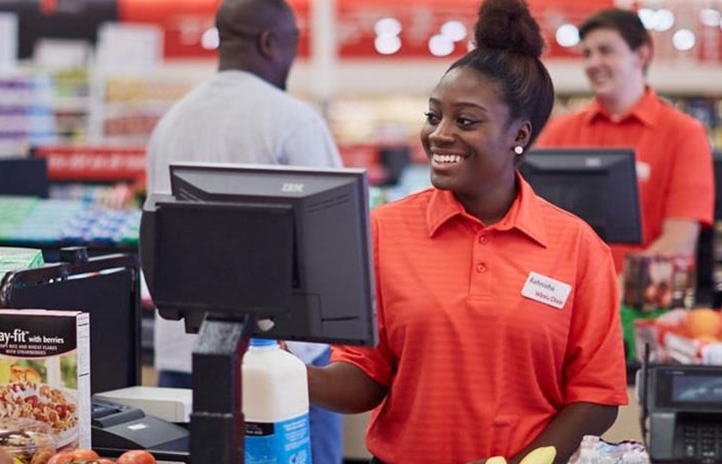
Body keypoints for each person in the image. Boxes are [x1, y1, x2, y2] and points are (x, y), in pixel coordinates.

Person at [306, 0, 628, 463]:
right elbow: (365, 378)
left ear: (519, 133)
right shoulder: (381, 231)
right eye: (434, 116)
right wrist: (287, 374)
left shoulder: (577, 248)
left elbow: (596, 395)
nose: (440, 134)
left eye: (467, 120)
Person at [145, 0, 344, 462]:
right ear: (270, 42)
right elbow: (334, 248)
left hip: (187, 358)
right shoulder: (292, 120)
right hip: (285, 364)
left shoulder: (172, 122)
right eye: (294, 44)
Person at [535, 8, 714, 273]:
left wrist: (606, 290)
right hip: (565, 294)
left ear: (641, 55)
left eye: (606, 51)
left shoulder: (684, 133)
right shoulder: (559, 132)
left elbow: (679, 241)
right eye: (587, 53)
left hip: (644, 305)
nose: (593, 63)